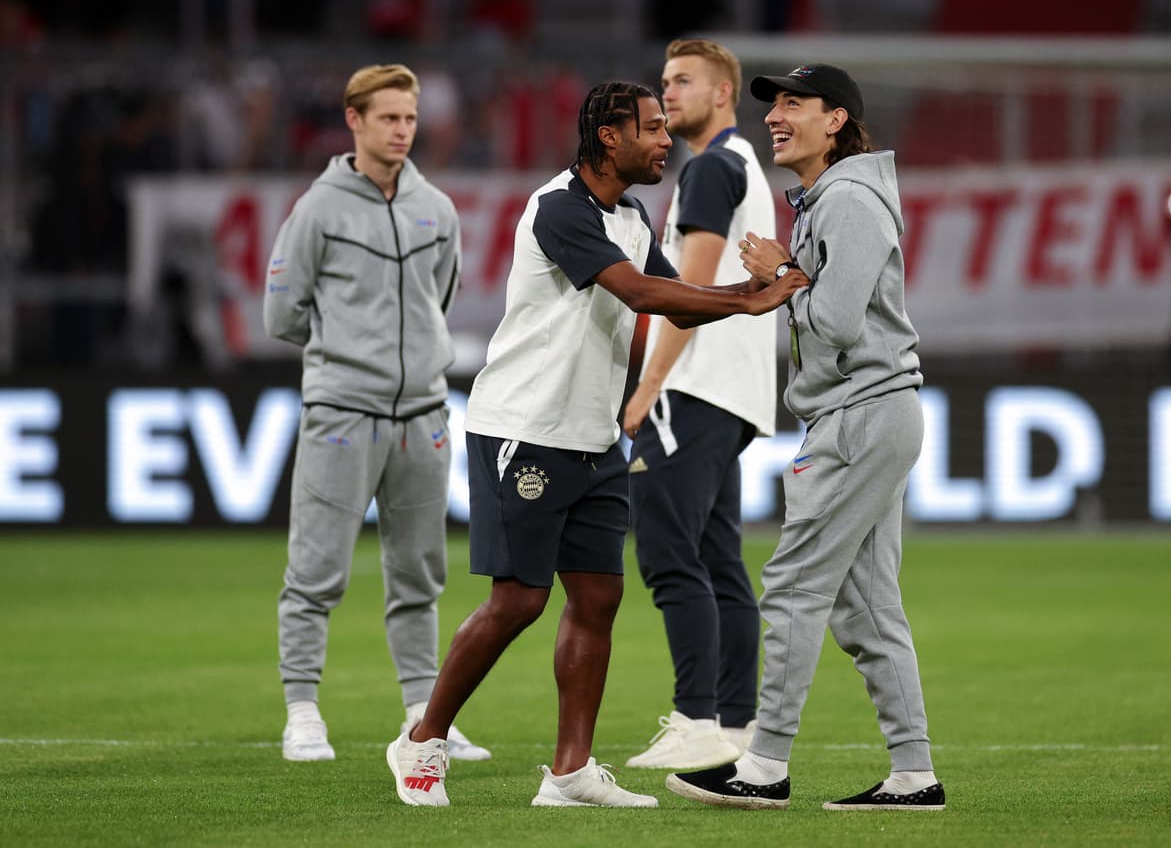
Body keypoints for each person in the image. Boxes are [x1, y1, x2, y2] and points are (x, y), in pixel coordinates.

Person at [384, 80, 807, 808]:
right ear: (608, 137)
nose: (664, 139)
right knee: (518, 599)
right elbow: (642, 296)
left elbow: (673, 297)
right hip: (524, 429)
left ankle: (571, 770)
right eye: (649, 127)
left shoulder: (633, 214)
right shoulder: (560, 210)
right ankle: (422, 740)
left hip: (592, 436)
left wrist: (749, 287)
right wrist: (750, 298)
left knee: (600, 595)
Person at [666, 64, 945, 811]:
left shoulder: (849, 199)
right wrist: (789, 275)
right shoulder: (838, 197)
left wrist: (784, 272)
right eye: (774, 104)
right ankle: (915, 774)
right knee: (869, 607)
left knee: (792, 585)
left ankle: (763, 766)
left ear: (838, 121)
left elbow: (837, 322)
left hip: (859, 412)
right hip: (871, 411)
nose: (776, 116)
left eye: (795, 103)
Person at [264, 63, 488, 764]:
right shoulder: (317, 209)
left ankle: (425, 716)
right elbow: (281, 313)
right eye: (388, 117)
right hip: (341, 411)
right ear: (353, 119)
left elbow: (437, 300)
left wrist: (401, 359)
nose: (402, 131)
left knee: (420, 572)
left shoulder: (438, 207)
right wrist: (348, 359)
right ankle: (303, 712)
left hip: (423, 410)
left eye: (410, 119)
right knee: (315, 569)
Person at [622, 39, 777, 771]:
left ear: (723, 93)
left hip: (694, 387)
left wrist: (646, 389)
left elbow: (690, 293)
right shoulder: (743, 165)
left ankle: (695, 719)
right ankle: (738, 725)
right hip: (736, 391)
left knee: (666, 552)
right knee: (718, 558)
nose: (667, 94)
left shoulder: (712, 168)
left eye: (682, 81)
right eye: (663, 82)